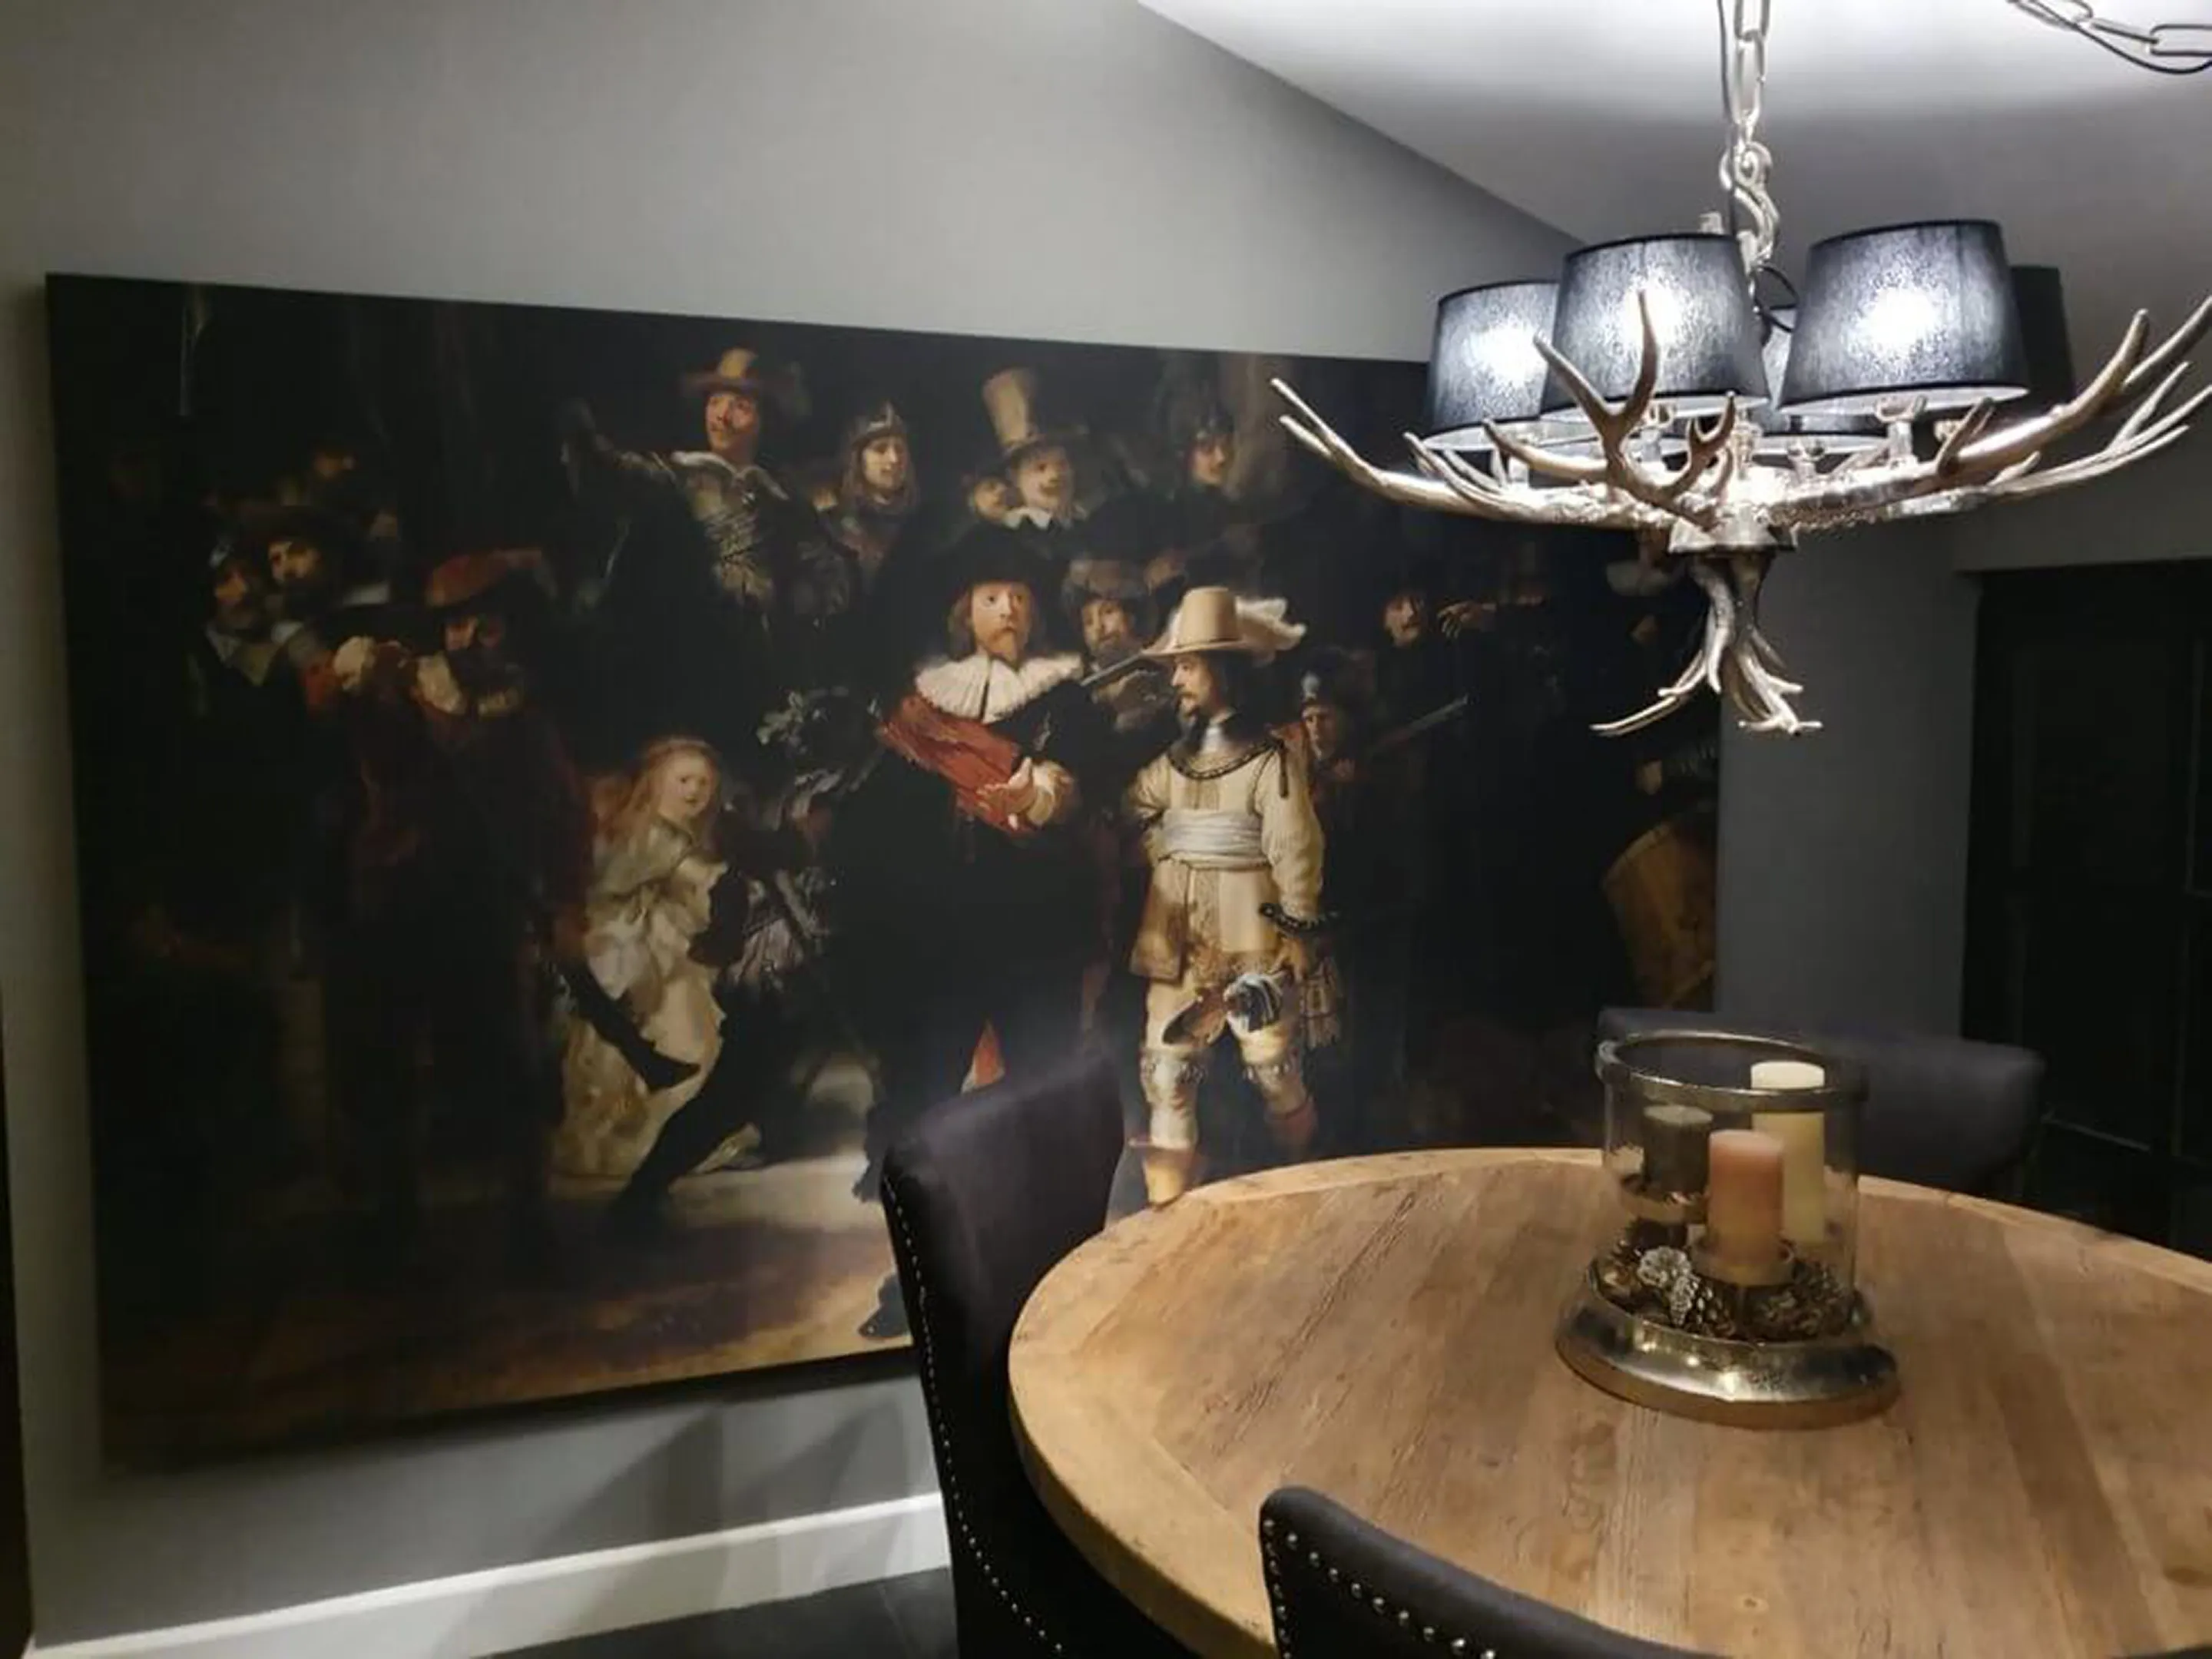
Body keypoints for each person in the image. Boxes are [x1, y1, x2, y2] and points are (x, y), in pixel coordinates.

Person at [831, 530, 1114, 1326]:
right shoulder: (922, 706)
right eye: (993, 597)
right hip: (943, 946)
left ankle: (1056, 1282)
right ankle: (917, 1283)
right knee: (921, 1109)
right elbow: (882, 819)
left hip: (1034, 938)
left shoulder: (1065, 697)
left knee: (1045, 1108)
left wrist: (1036, 797)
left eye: (1020, 597)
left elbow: (1074, 787)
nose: (1009, 609)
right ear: (966, 610)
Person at [1122, 586, 1329, 1205]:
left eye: (1188, 666)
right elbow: (1133, 810)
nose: (1177, 680)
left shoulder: (1270, 762)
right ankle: (1168, 1212)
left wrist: (1298, 927)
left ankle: (1301, 1183)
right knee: (1167, 1073)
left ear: (1222, 670)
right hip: (1175, 940)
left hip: (1252, 935)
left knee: (1273, 1069)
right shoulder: (1171, 763)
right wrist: (1168, 848)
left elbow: (1296, 848)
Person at [556, 737, 733, 1180]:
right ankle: (654, 1139)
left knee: (687, 1027)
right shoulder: (655, 835)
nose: (695, 791)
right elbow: (700, 881)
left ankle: (678, 1136)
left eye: (704, 783)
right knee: (676, 1028)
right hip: (635, 950)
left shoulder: (669, 833)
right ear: (656, 783)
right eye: (684, 780)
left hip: (661, 944)